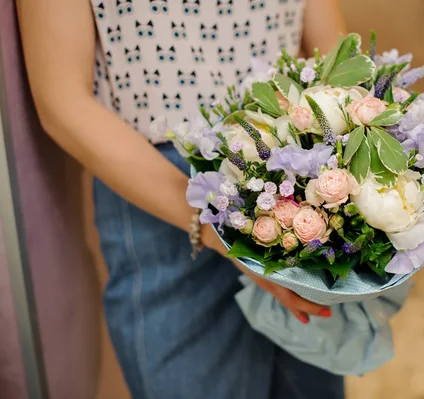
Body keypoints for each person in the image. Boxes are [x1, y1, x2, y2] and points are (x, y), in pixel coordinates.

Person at [17, 0, 346, 398]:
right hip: (159, 196)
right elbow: (62, 101)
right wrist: (222, 231)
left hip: (296, 176)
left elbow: (330, 48)